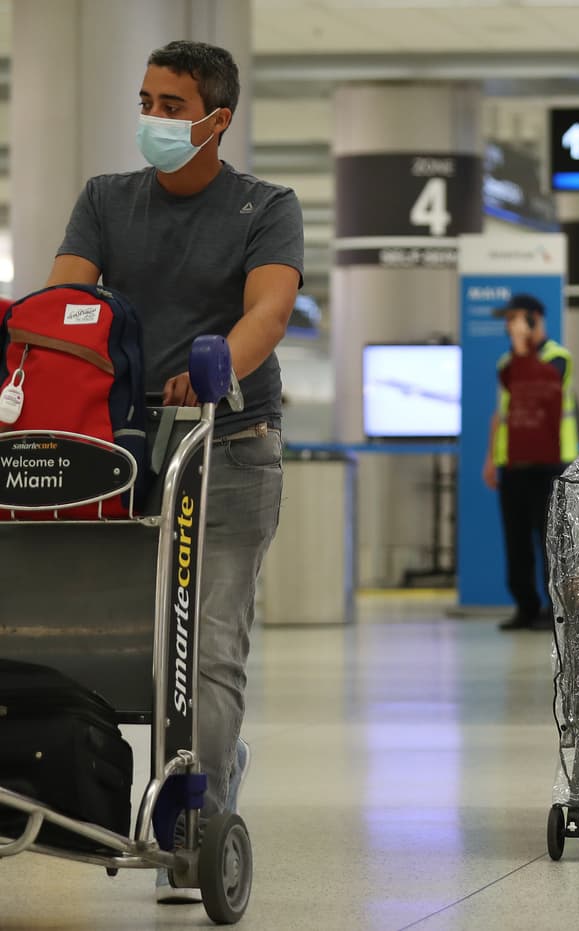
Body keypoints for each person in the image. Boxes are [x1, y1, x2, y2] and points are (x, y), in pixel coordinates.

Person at [45, 41, 304, 903]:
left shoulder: (265, 206)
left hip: (228, 448)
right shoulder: (105, 202)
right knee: (112, 641)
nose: (153, 118)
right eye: (147, 100)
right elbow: (65, 310)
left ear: (216, 120)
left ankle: (196, 818)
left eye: (171, 105)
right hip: (124, 455)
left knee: (210, 646)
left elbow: (268, 310)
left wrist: (218, 365)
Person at [483, 294, 576, 631]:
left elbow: (540, 387)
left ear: (535, 319)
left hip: (550, 464)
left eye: (515, 319)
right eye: (508, 320)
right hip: (514, 465)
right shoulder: (508, 363)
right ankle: (525, 607)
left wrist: (523, 347)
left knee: (548, 541)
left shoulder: (557, 358)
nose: (509, 326)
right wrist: (492, 458)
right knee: (516, 541)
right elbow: (503, 413)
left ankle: (552, 612)